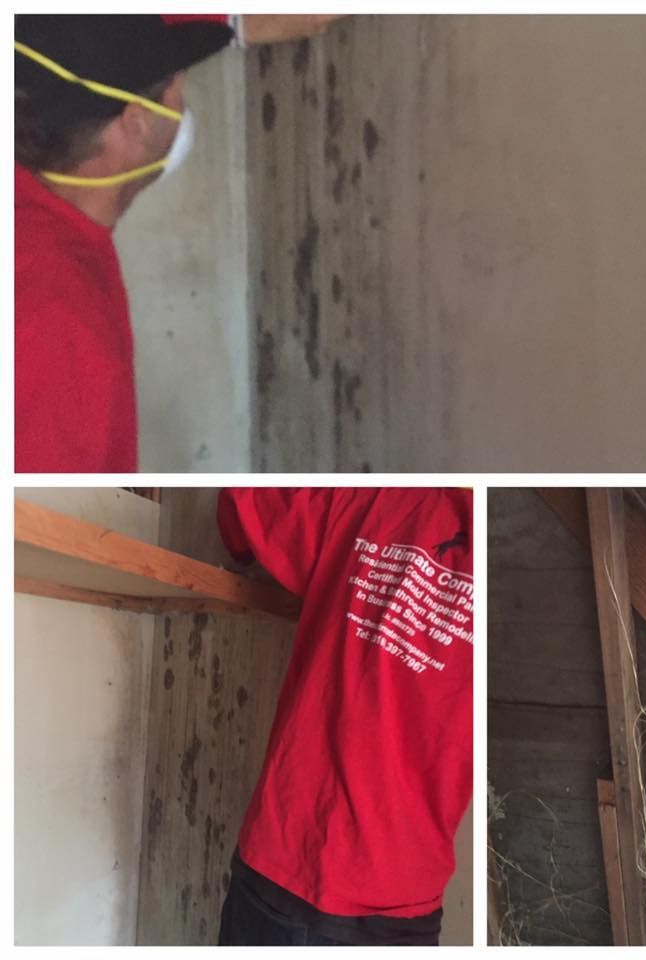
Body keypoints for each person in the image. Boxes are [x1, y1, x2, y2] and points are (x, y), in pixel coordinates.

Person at [14, 15, 339, 472]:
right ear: (136, 123)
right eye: (174, 89)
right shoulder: (59, 319)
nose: (183, 100)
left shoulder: (31, 227)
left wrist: (236, 21)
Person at [215, 487, 473, 946]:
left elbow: (241, 498)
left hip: (287, 865)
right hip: (402, 897)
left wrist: (238, 549)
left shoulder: (378, 499)